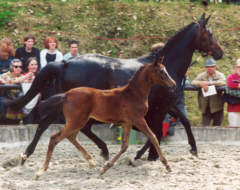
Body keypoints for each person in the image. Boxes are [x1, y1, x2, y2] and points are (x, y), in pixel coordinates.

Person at [191, 58, 226, 126]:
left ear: (215, 67)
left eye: (212, 66)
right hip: (205, 107)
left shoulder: (220, 75)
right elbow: (193, 82)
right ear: (205, 68)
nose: (210, 68)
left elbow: (223, 82)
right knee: (204, 127)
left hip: (217, 107)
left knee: (217, 128)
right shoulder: (202, 75)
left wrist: (208, 83)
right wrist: (201, 84)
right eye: (208, 67)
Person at [1, 59, 33, 124]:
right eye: (16, 67)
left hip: (19, 102)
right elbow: (10, 81)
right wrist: (24, 78)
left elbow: (28, 83)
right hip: (7, 100)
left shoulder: (23, 76)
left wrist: (26, 79)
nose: (18, 68)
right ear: (11, 67)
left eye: (20, 67)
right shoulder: (5, 75)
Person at [21, 57, 41, 124]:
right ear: (27, 66)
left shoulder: (40, 76)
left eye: (35, 64)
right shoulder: (23, 76)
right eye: (32, 64)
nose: (34, 66)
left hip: (38, 105)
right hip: (27, 105)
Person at [226, 59, 240, 127]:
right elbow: (230, 84)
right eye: (238, 67)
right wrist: (238, 85)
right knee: (233, 129)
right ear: (236, 67)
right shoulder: (231, 77)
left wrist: (236, 86)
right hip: (233, 109)